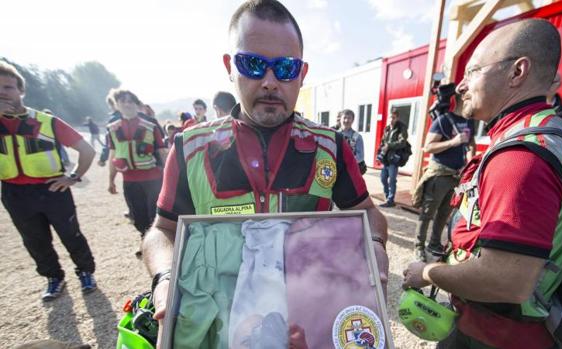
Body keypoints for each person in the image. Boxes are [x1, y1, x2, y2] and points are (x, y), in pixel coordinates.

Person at [141, 1, 389, 347]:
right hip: (221, 327)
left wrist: (375, 243)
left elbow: (367, 213)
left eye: (286, 68)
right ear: (230, 66)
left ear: (302, 74)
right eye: (254, 64)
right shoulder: (189, 148)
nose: (271, 82)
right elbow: (162, 231)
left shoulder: (331, 146)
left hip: (307, 320)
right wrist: (166, 279)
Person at [402, 19, 562, 349]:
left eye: (473, 71)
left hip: (494, 334)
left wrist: (427, 272)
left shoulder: (521, 156)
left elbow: (506, 280)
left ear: (517, 72)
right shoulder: (559, 134)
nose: (461, 86)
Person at [0, 61, 97, 301]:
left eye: (8, 87)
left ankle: (86, 272)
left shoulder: (45, 121)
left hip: (51, 188)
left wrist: (72, 177)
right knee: (34, 239)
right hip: (14, 192)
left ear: (21, 90)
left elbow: (86, 150)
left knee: (70, 233)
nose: (2, 92)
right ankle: (54, 277)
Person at [411, 94, 475, 261]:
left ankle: (434, 244)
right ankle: (419, 247)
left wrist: (469, 165)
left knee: (444, 214)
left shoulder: (469, 121)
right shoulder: (443, 120)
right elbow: (428, 147)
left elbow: (471, 144)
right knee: (427, 213)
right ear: (462, 99)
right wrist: (452, 142)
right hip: (440, 174)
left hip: (456, 176)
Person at [106, 89, 168, 256]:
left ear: (136, 104)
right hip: (129, 180)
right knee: (137, 215)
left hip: (153, 178)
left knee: (153, 213)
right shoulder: (113, 129)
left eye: (130, 101)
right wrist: (111, 180)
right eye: (122, 101)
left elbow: (162, 152)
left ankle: (158, 244)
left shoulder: (151, 125)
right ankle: (145, 240)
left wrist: (170, 175)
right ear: (117, 105)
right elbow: (113, 155)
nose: (127, 104)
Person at [378, 110, 408, 207]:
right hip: (385, 158)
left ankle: (390, 200)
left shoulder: (401, 128)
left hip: (394, 159)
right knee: (383, 178)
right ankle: (387, 197)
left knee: (392, 180)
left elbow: (402, 142)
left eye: (394, 117)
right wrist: (379, 153)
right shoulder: (387, 128)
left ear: (397, 118)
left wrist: (389, 145)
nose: (391, 119)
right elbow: (383, 142)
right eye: (390, 117)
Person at [340, 109, 366, 174]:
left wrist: (347, 162)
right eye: (344, 118)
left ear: (353, 120)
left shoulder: (357, 137)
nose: (346, 120)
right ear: (340, 119)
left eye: (349, 118)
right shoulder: (335, 134)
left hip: (351, 170)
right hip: (337, 168)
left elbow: (360, 156)